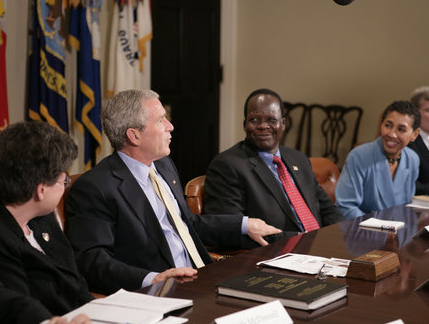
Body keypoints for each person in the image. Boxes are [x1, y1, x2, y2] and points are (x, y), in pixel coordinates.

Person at [66, 89, 281, 295]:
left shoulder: (164, 165)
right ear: (134, 136)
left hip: (205, 278)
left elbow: (187, 224)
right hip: (160, 294)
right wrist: (153, 279)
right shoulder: (96, 188)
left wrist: (243, 225)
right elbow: (92, 261)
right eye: (161, 120)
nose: (171, 126)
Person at [0, 123, 91, 323]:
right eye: (64, 181)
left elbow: (76, 283)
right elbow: (14, 307)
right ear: (41, 191)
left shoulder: (42, 217)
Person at [203, 88, 343, 245]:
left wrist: (343, 235)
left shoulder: (299, 159)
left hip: (321, 248)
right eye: (254, 120)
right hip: (279, 254)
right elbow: (230, 229)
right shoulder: (228, 166)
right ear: (245, 125)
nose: (263, 126)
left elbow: (327, 209)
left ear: (283, 124)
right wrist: (303, 239)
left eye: (271, 120)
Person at [335, 101, 421, 220]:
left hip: (399, 233)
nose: (392, 134)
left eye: (401, 129)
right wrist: (382, 228)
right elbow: (346, 207)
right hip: (363, 232)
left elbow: (406, 208)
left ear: (415, 134)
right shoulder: (359, 156)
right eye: (388, 125)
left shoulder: (413, 159)